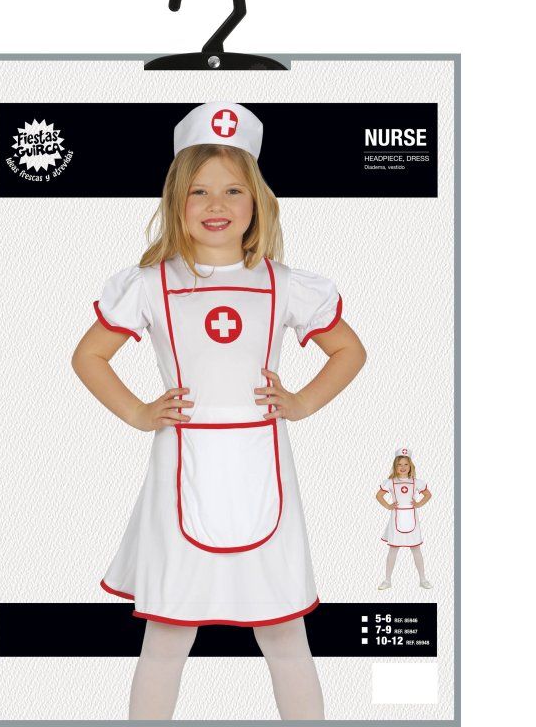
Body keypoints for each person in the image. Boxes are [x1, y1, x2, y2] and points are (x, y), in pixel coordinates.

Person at [71, 102, 366, 720]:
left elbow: (349, 350)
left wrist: (302, 402)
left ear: (257, 201)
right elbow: (89, 356)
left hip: (263, 467)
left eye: (234, 190)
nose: (217, 204)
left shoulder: (283, 283)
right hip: (183, 467)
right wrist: (139, 412)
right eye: (199, 190)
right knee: (168, 634)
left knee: (284, 631)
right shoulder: (152, 283)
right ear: (175, 200)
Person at [374, 447, 433, 590]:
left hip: (411, 517)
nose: (403, 467)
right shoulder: (390, 482)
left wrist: (419, 504)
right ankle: (387, 580)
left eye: (406, 464)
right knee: (393, 549)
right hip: (396, 518)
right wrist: (388, 506)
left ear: (410, 466)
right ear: (395, 466)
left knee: (416, 548)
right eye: (399, 464)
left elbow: (428, 494)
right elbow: (379, 495)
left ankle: (423, 579)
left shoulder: (416, 482)